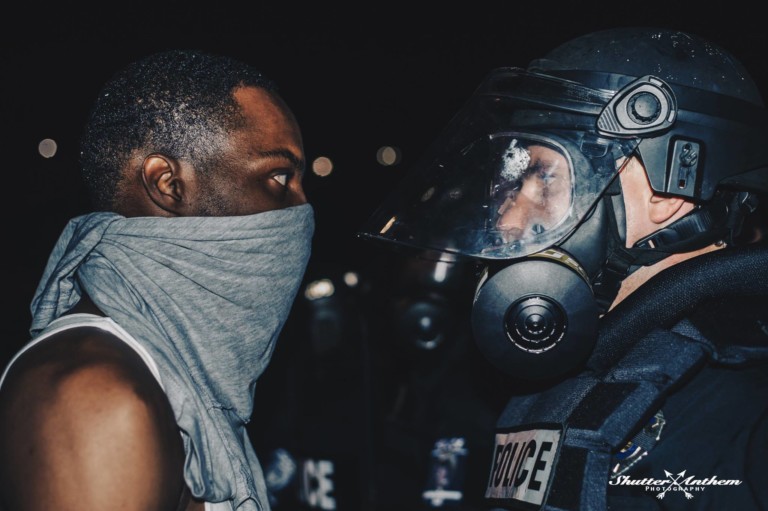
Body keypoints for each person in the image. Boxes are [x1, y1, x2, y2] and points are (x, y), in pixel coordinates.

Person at [358, 27, 768, 510]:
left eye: (544, 178)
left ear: (667, 193)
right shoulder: (578, 372)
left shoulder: (746, 408)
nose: (509, 220)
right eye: (511, 186)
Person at [0, 49, 314, 511]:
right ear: (168, 183)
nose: (302, 210)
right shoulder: (92, 396)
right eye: (279, 176)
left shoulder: (179, 373)